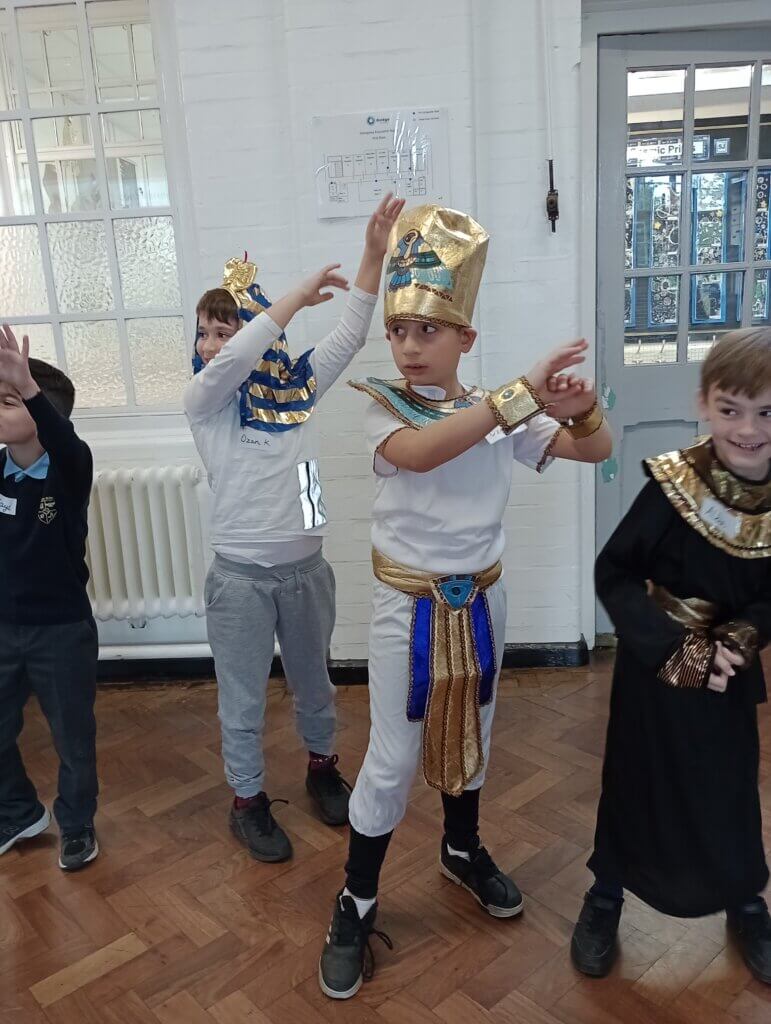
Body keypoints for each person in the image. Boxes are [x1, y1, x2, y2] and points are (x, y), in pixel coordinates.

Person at [317, 204, 612, 999]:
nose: (409, 346)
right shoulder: (388, 407)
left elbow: (594, 450)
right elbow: (423, 453)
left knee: (471, 732)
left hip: (480, 602)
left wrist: (578, 406)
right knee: (392, 756)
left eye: (428, 331)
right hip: (406, 610)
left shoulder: (495, 408)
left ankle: (459, 849)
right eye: (398, 331)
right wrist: (518, 396)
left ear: (464, 339)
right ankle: (355, 899)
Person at [183, 195, 405, 863]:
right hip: (241, 582)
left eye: (225, 329)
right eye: (204, 332)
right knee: (242, 700)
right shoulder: (204, 402)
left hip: (307, 570)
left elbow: (348, 336)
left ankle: (321, 768)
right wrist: (287, 301)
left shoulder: (296, 391)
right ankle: (247, 800)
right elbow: (233, 364)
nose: (213, 345)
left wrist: (371, 257)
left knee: (315, 684)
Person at [571, 327, 771, 984]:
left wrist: (741, 637)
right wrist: (672, 649)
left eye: (766, 412)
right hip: (654, 671)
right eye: (730, 409)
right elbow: (615, 574)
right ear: (703, 404)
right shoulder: (674, 485)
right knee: (636, 780)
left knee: (729, 786)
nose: (748, 429)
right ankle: (606, 894)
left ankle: (745, 901)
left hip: (728, 676)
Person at [0, 325, 99, 871]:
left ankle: (77, 824)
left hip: (61, 631)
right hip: (5, 628)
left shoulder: (67, 473)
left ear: (42, 416)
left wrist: (30, 389)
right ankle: (18, 812)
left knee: (72, 739)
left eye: (8, 401)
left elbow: (68, 444)